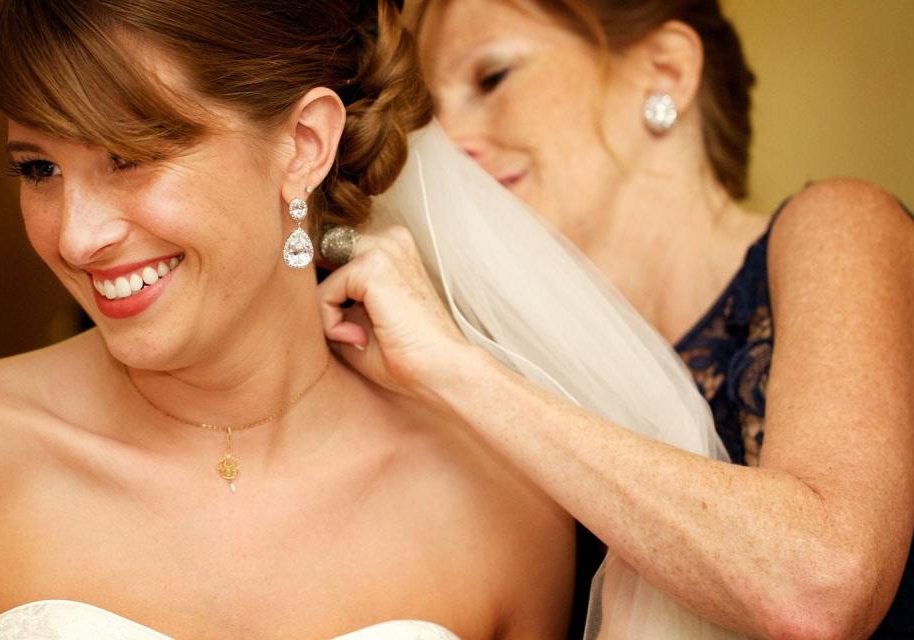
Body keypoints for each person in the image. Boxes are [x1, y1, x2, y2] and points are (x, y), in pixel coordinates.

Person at [0, 2, 579, 639]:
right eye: (39, 170)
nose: (76, 237)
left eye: (128, 155)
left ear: (305, 145)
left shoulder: (498, 503)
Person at [317, 0, 914, 638]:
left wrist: (455, 371)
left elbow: (819, 590)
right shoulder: (508, 367)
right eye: (431, 115)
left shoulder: (840, 227)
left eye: (492, 79)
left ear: (666, 71)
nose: (449, 144)